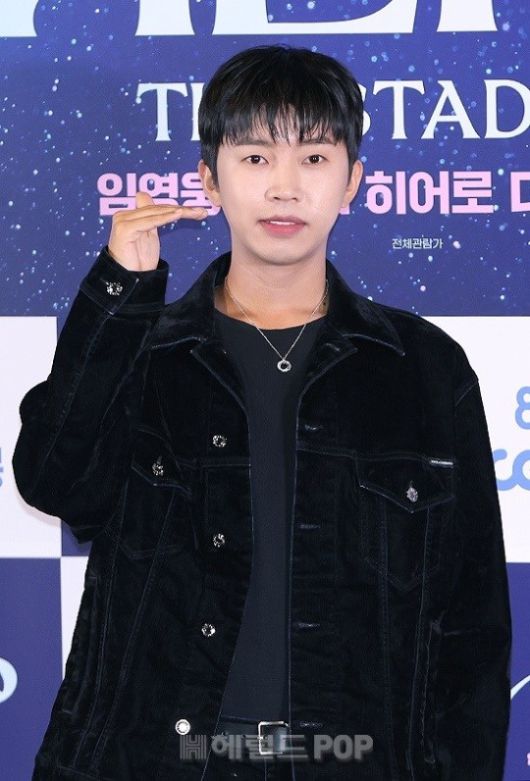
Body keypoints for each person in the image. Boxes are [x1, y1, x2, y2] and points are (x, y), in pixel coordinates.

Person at [12, 44, 511, 781]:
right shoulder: (144, 351)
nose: (284, 188)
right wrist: (118, 296)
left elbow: (472, 622)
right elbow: (55, 483)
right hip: (160, 760)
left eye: (313, 158)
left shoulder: (423, 368)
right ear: (209, 179)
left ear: (352, 182)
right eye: (254, 158)